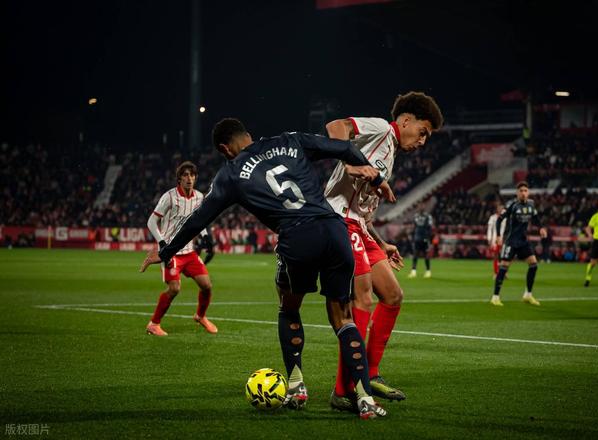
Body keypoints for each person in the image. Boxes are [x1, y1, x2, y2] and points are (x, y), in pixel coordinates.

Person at [140, 118, 395, 419]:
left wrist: (166, 250)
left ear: (225, 149)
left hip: (297, 237)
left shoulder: (231, 174)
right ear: (248, 135)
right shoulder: (290, 139)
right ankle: (365, 399)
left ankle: (297, 386)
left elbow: (198, 219)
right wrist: (377, 178)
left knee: (289, 308)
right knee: (344, 318)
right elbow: (343, 147)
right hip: (334, 231)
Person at [324, 91, 444, 408]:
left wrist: (381, 242)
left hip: (360, 228)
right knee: (362, 298)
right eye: (422, 132)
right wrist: (349, 161)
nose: (422, 141)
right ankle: (344, 390)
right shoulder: (380, 128)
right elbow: (336, 126)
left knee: (392, 295)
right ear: (405, 121)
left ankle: (370, 373)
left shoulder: (389, 153)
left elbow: (363, 211)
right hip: (339, 221)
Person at [145, 161, 217, 336]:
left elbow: (200, 221)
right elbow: (151, 222)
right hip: (171, 252)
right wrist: (162, 243)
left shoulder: (199, 197)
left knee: (207, 286)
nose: (189, 178)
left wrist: (206, 237)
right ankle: (153, 324)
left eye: (192, 175)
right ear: (179, 179)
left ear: (195, 178)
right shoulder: (169, 197)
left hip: (189, 252)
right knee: (174, 288)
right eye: (185, 175)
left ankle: (200, 316)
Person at [491, 181, 547, 306]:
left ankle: (528, 295)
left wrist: (541, 228)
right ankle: (495, 297)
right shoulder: (512, 205)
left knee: (533, 265)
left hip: (523, 241)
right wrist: (499, 236)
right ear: (517, 193)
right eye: (521, 191)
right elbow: (499, 220)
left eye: (525, 191)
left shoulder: (531, 204)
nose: (523, 193)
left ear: (528, 192)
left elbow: (536, 218)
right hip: (511, 241)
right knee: (503, 267)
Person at [408, 208, 434, 278]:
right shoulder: (416, 216)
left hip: (425, 238)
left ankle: (428, 271)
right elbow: (414, 227)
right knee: (415, 254)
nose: (421, 207)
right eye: (420, 205)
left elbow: (430, 228)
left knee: (426, 254)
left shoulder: (428, 217)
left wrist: (429, 238)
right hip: (417, 238)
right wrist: (412, 235)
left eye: (423, 205)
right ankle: (413, 271)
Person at [486, 203, 506, 278]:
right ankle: (496, 273)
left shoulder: (505, 218)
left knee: (504, 256)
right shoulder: (492, 218)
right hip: (495, 239)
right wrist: (489, 238)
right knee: (496, 256)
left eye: (502, 208)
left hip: (503, 238)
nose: (501, 210)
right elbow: (489, 229)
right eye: (499, 208)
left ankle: (503, 273)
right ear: (497, 209)